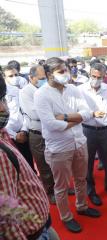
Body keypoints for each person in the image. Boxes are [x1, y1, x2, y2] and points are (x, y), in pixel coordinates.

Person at [34, 57, 103, 233]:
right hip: (59, 148)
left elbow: (87, 113)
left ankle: (82, 206)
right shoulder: (41, 94)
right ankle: (66, 217)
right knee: (62, 186)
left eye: (66, 70)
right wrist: (76, 119)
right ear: (49, 74)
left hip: (79, 142)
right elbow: (51, 124)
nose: (66, 74)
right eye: (61, 71)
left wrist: (65, 117)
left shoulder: (73, 89)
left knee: (81, 179)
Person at [0, 74, 59, 240]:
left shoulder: (2, 135)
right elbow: (6, 218)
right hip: (33, 234)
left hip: (40, 226)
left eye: (3, 99)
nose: (3, 108)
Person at [78, 63, 107, 206]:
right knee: (88, 163)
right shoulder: (80, 90)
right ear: (89, 74)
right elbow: (77, 112)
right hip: (87, 130)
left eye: (99, 77)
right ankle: (91, 191)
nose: (95, 79)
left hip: (105, 131)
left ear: (104, 76)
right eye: (93, 76)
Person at [19, 64, 56, 205]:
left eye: (45, 78)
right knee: (43, 164)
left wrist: (51, 113)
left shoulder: (47, 89)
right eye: (40, 78)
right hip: (37, 133)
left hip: (51, 131)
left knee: (55, 161)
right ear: (31, 77)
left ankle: (59, 187)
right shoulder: (26, 92)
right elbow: (34, 113)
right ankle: (50, 191)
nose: (43, 80)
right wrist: (53, 113)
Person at [2, 65, 34, 170]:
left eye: (16, 75)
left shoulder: (18, 91)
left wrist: (24, 130)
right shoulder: (2, 92)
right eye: (10, 76)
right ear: (4, 76)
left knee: (28, 163)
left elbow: (24, 112)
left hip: (23, 134)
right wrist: (14, 135)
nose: (14, 77)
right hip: (8, 135)